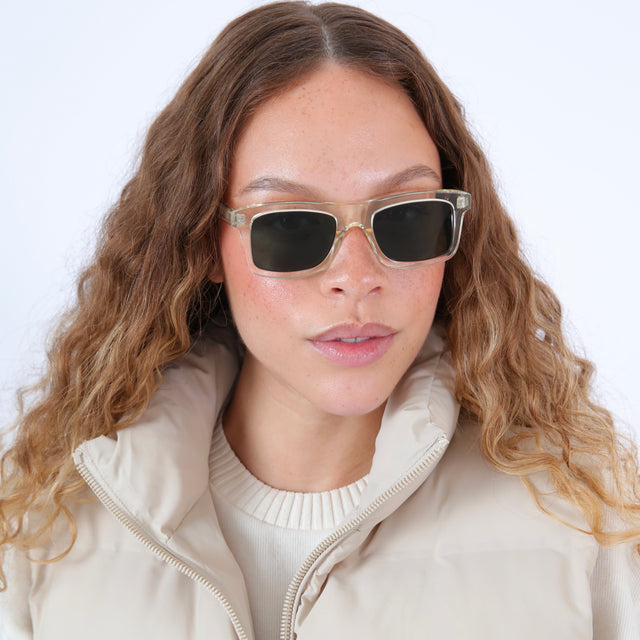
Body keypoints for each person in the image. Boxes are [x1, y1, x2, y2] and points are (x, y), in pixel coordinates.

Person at [1, 2, 639, 638]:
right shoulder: (38, 521)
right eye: (292, 227)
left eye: (407, 216)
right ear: (202, 244)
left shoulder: (587, 512)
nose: (357, 276)